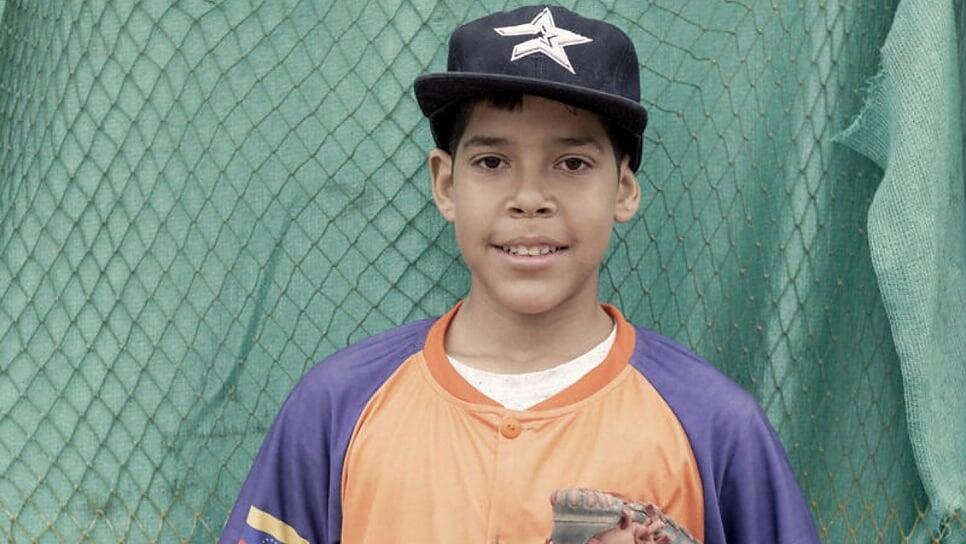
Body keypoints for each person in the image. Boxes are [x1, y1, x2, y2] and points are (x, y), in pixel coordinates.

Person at [221, 5, 819, 544]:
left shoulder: (715, 426)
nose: (529, 197)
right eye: (491, 161)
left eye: (572, 162)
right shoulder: (335, 407)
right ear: (446, 184)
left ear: (625, 188)